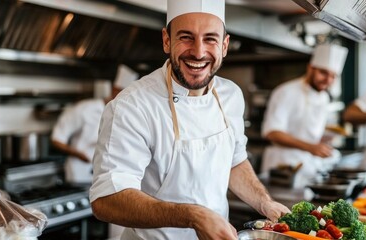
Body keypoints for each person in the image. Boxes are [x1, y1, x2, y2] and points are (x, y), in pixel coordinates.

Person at [89, 0, 290, 239]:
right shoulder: (132, 105)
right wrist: (193, 216)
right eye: (186, 37)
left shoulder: (231, 95)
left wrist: (264, 203)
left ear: (224, 45)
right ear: (166, 40)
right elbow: (107, 199)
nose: (198, 52)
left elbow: (234, 161)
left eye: (210, 39)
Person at [261, 44, 348, 188]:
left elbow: (309, 130)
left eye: (333, 76)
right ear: (310, 68)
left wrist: (324, 138)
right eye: (323, 73)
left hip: (309, 167)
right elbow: (272, 133)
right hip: (283, 169)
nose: (328, 80)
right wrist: (311, 147)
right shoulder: (286, 92)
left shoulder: (324, 97)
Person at [51, 64, 138, 184]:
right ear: (114, 90)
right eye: (125, 94)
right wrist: (79, 154)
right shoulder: (85, 109)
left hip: (106, 176)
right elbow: (57, 139)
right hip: (80, 174)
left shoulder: (123, 114)